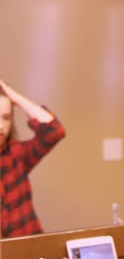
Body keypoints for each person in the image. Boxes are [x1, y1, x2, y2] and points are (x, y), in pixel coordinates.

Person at [0, 80, 66, 238]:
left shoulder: (16, 154)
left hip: (31, 249)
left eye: (6, 117)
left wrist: (12, 95)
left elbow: (54, 131)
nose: (1, 126)